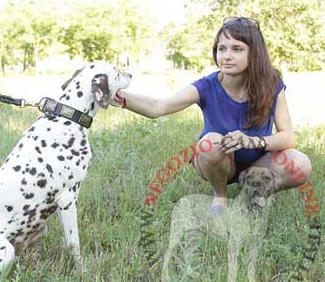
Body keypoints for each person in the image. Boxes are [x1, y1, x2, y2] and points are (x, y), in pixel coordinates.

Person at [114, 17, 312, 215]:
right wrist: (118, 96)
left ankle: (253, 190)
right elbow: (158, 106)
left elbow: (287, 137)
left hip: (257, 163)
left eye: (237, 49)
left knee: (301, 164)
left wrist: (251, 141)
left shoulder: (271, 84)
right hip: (215, 159)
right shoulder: (206, 86)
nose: (226, 55)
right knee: (210, 143)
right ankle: (220, 196)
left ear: (254, 52)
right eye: (221, 48)